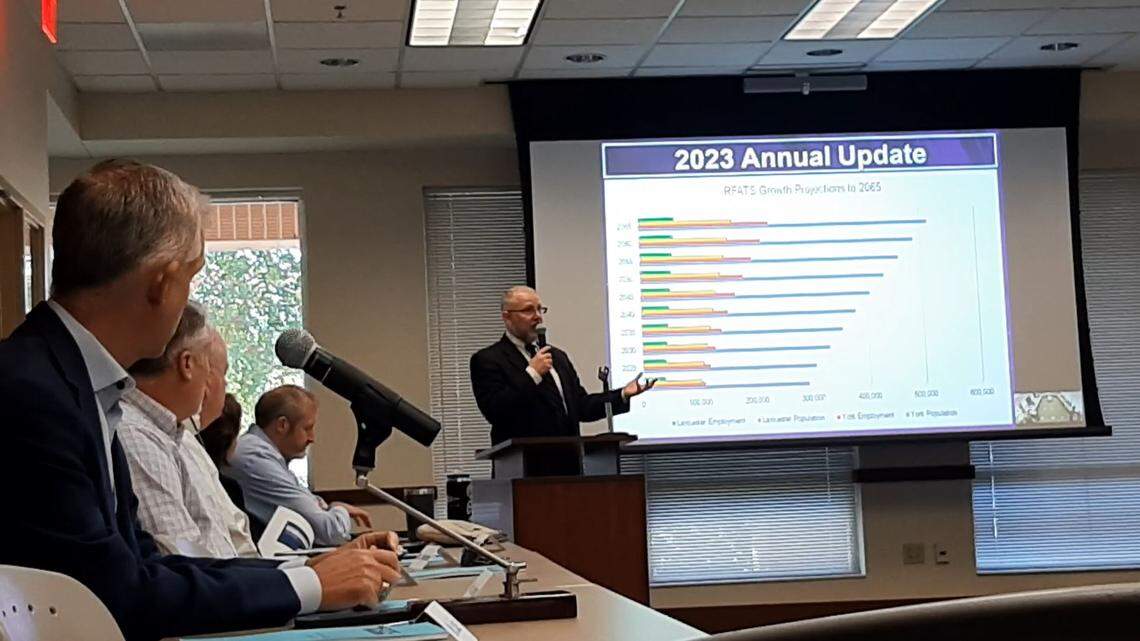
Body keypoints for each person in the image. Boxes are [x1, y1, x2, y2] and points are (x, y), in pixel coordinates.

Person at [0, 159, 401, 641]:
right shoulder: (35, 394)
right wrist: (309, 587)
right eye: (191, 277)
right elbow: (121, 595)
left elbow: (145, 562)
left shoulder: (73, 382)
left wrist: (307, 575)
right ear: (161, 283)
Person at [117, 300, 237, 557]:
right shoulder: (136, 436)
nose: (211, 380)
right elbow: (185, 566)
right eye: (208, 363)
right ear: (187, 364)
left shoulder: (168, 432)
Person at [470, 285, 656, 444]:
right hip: (524, 467)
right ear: (507, 317)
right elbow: (496, 411)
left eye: (540, 309)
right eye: (528, 310)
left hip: (568, 464)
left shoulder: (557, 357)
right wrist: (532, 374)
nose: (538, 317)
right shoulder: (488, 360)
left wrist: (622, 394)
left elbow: (580, 406)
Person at [229, 385, 373, 546]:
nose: (312, 438)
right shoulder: (254, 458)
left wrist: (327, 508)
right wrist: (340, 509)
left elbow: (313, 507)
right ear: (282, 425)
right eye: (307, 428)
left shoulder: (263, 454)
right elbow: (331, 532)